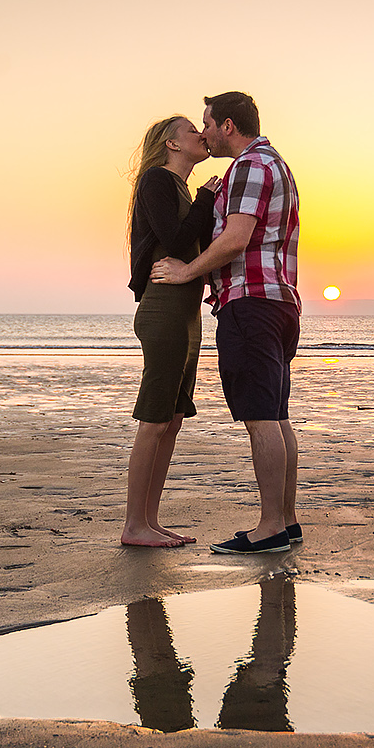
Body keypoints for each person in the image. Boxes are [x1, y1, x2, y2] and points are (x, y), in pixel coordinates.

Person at [152, 91, 302, 555]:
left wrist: (184, 271)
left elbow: (235, 238)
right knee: (276, 416)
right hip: (278, 303)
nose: (205, 133)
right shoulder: (276, 163)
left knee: (260, 418)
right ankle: (287, 522)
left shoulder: (249, 167)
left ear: (229, 126)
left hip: (251, 303)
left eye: (208, 124)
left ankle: (271, 526)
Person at [121, 115, 220, 547]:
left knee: (174, 418)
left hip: (187, 313)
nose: (202, 134)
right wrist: (205, 198)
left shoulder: (177, 187)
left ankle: (150, 520)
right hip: (162, 309)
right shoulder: (157, 181)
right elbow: (178, 241)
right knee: (154, 418)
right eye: (191, 130)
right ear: (172, 144)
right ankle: (133, 525)